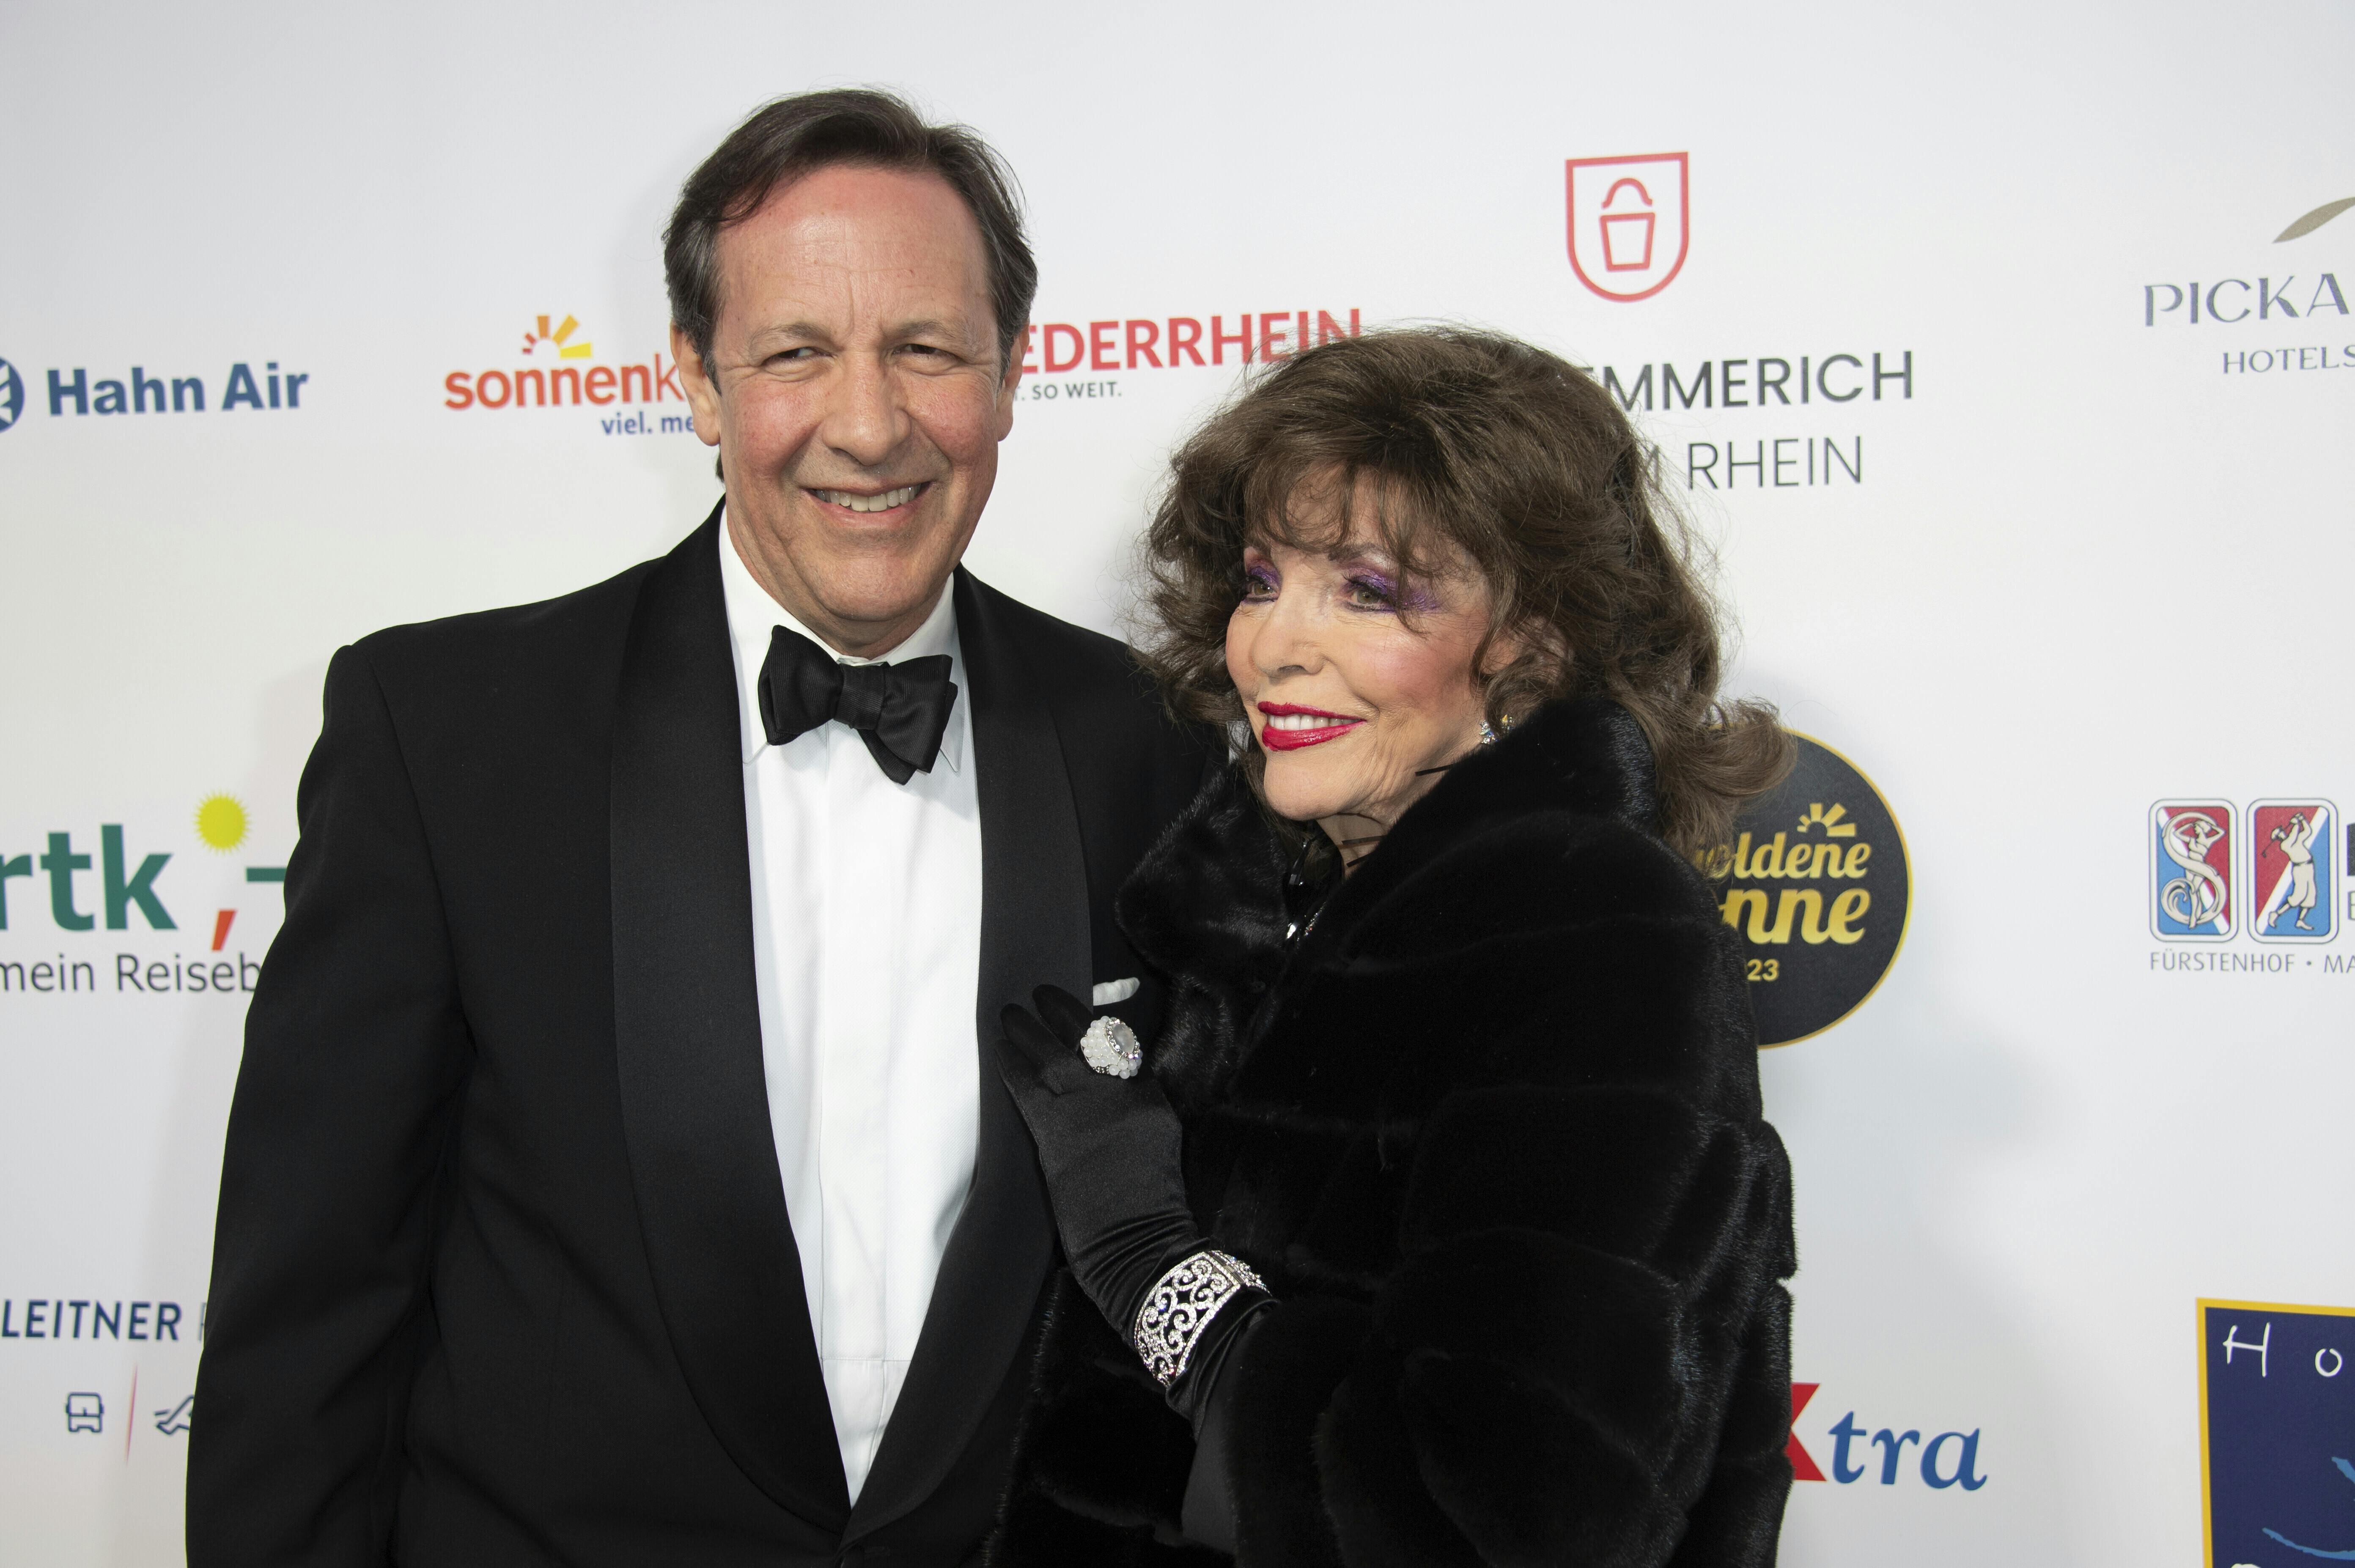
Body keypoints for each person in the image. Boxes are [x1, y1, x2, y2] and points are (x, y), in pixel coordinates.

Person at [188, 89, 1212, 1567]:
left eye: (926, 349)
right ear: (697, 379)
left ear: (1009, 373)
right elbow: (313, 1311)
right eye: (797, 353)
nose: (870, 425)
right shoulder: (447, 733)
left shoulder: (1147, 736)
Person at [988, 327, 1799, 1565]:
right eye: (1263, 580)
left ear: (1532, 640)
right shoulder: (1270, 902)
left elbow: (1490, 1516)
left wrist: (1151, 1263)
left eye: (1366, 592)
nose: (1274, 646)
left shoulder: (1594, 937)